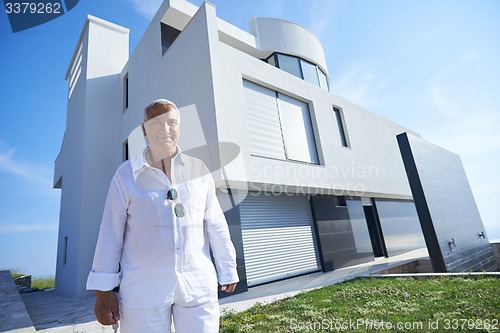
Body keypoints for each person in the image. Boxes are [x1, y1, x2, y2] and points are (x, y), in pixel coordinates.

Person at [86, 99, 239, 333]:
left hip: (197, 285)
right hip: (143, 291)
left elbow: (215, 223)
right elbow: (110, 233)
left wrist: (227, 268)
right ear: (144, 129)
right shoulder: (125, 175)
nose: (164, 129)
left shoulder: (199, 170)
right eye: (156, 123)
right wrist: (103, 291)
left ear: (179, 127)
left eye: (172, 123)